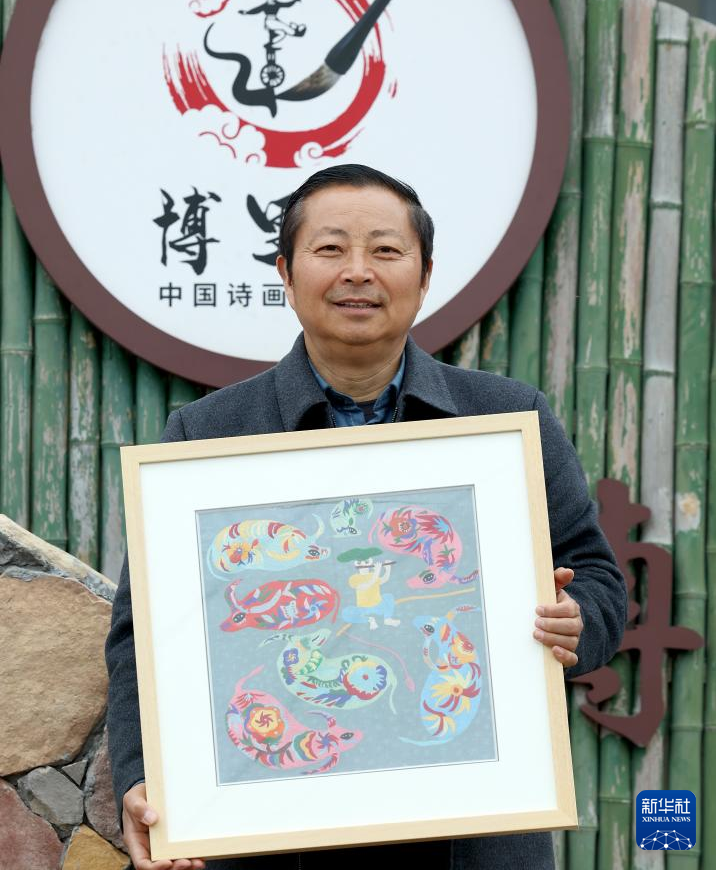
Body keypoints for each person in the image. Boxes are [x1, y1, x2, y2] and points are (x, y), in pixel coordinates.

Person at [106, 163, 627, 870]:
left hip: (472, 832)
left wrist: (576, 621)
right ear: (286, 273)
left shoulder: (509, 421)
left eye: (385, 250)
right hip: (267, 835)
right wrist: (144, 776)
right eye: (330, 249)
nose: (358, 271)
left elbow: (596, 577)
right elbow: (142, 635)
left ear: (425, 274)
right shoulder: (206, 434)